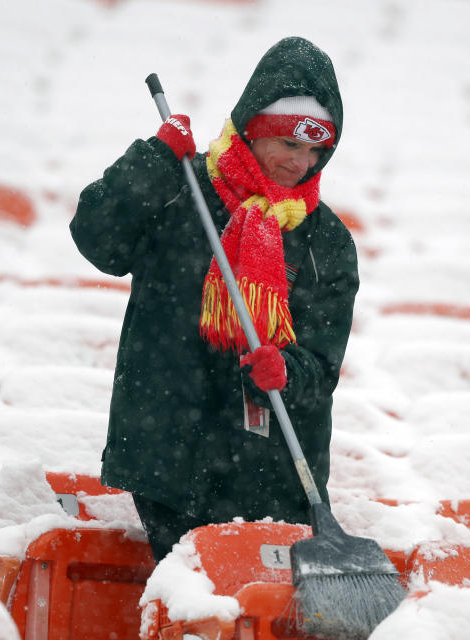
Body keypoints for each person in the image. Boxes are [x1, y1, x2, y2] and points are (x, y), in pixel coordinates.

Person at [69, 37, 359, 562]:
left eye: (316, 150)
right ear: (252, 128)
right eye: (289, 145)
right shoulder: (181, 186)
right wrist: (153, 160)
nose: (301, 163)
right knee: (195, 606)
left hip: (272, 470)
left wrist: (287, 371)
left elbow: (323, 362)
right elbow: (98, 239)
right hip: (169, 455)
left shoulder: (327, 240)